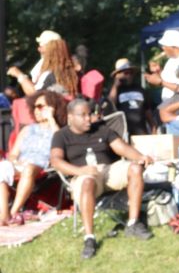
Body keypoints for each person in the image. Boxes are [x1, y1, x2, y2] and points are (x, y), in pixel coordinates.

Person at [50, 98, 154, 259]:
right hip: (83, 175)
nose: (88, 118)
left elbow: (121, 147)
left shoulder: (102, 129)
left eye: (89, 114)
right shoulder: (61, 136)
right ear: (70, 116)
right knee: (88, 181)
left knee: (134, 168)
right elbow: (56, 161)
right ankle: (89, 237)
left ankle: (133, 223)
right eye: (83, 115)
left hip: (108, 170)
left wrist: (140, 157)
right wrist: (80, 171)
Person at [0, 89, 67, 225]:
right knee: (2, 168)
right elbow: (13, 153)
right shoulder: (27, 129)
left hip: (42, 165)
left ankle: (13, 212)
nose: (36, 110)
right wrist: (15, 161)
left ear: (52, 108)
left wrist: (51, 119)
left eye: (40, 107)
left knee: (29, 169)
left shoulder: (58, 130)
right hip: (21, 164)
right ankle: (4, 215)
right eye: (34, 107)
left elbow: (60, 143)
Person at [8, 36, 78, 98]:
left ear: (51, 49)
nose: (39, 49)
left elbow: (35, 95)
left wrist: (19, 75)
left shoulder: (50, 74)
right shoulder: (68, 71)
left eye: (41, 46)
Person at [106, 59, 154, 137]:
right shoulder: (115, 91)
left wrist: (153, 128)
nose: (129, 76)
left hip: (141, 132)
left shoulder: (140, 89)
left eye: (131, 73)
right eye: (126, 73)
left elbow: (147, 111)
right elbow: (110, 105)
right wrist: (116, 85)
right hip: (123, 133)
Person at [144, 30, 179, 102]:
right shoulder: (171, 60)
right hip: (170, 105)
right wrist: (158, 71)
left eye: (164, 45)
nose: (163, 48)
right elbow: (169, 80)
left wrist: (161, 82)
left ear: (173, 46)